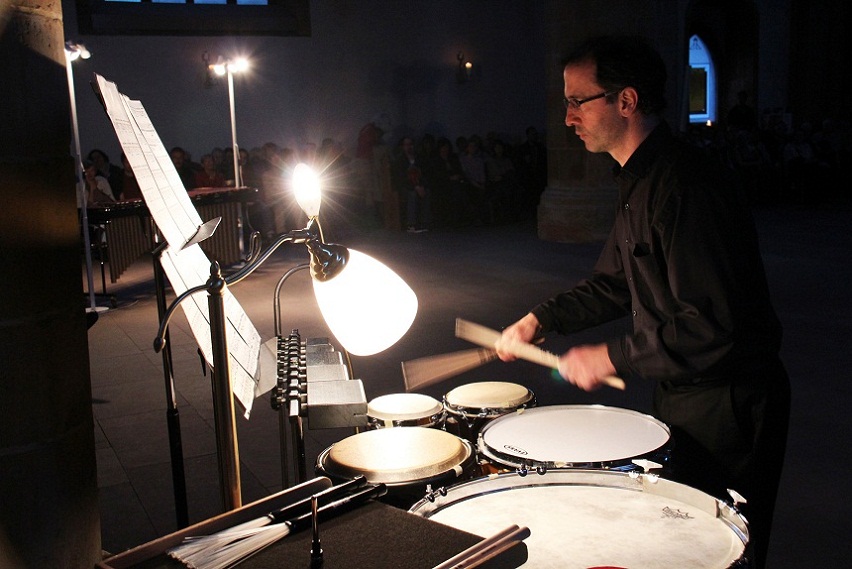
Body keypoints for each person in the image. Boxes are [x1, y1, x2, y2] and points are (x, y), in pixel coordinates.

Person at [497, 36, 789, 569]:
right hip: (683, 389)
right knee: (680, 535)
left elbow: (710, 326)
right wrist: (542, 318)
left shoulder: (685, 187)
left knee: (720, 548)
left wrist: (609, 357)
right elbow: (615, 282)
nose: (568, 118)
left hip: (730, 401)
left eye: (578, 101)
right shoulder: (640, 180)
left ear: (626, 100)